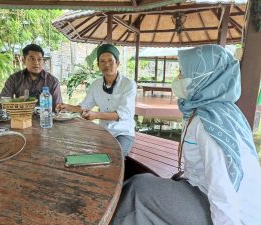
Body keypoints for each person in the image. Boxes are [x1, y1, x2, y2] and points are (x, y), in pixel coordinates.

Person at [111, 45, 261, 225]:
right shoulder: (225, 111)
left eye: (183, 72)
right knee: (142, 183)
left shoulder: (209, 123)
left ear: (202, 77)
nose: (178, 78)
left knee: (137, 191)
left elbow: (223, 189)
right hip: (207, 192)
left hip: (233, 215)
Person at [56, 44, 137, 155]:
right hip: (104, 131)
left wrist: (96, 115)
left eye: (110, 61)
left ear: (117, 63)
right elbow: (84, 107)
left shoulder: (128, 84)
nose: (107, 65)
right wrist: (67, 106)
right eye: (102, 61)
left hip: (123, 132)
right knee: (82, 150)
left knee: (116, 156)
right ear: (98, 65)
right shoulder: (96, 85)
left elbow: (122, 114)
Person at [0, 44, 62, 110]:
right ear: (24, 60)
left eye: (39, 59)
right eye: (32, 59)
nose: (36, 63)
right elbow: (3, 101)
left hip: (45, 118)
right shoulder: (14, 79)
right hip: (21, 118)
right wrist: (18, 101)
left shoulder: (53, 81)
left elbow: (58, 107)